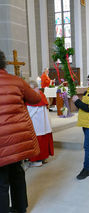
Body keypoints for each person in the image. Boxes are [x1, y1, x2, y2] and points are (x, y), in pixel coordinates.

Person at [0, 49, 41, 213]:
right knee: (17, 173)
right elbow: (36, 98)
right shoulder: (16, 81)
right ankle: (20, 208)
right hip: (16, 139)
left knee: (1, 180)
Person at [26, 81, 54, 167]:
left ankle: (37, 161)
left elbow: (30, 111)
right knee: (43, 139)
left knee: (37, 141)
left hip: (36, 123)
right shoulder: (41, 94)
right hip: (44, 123)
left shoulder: (33, 97)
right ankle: (43, 158)